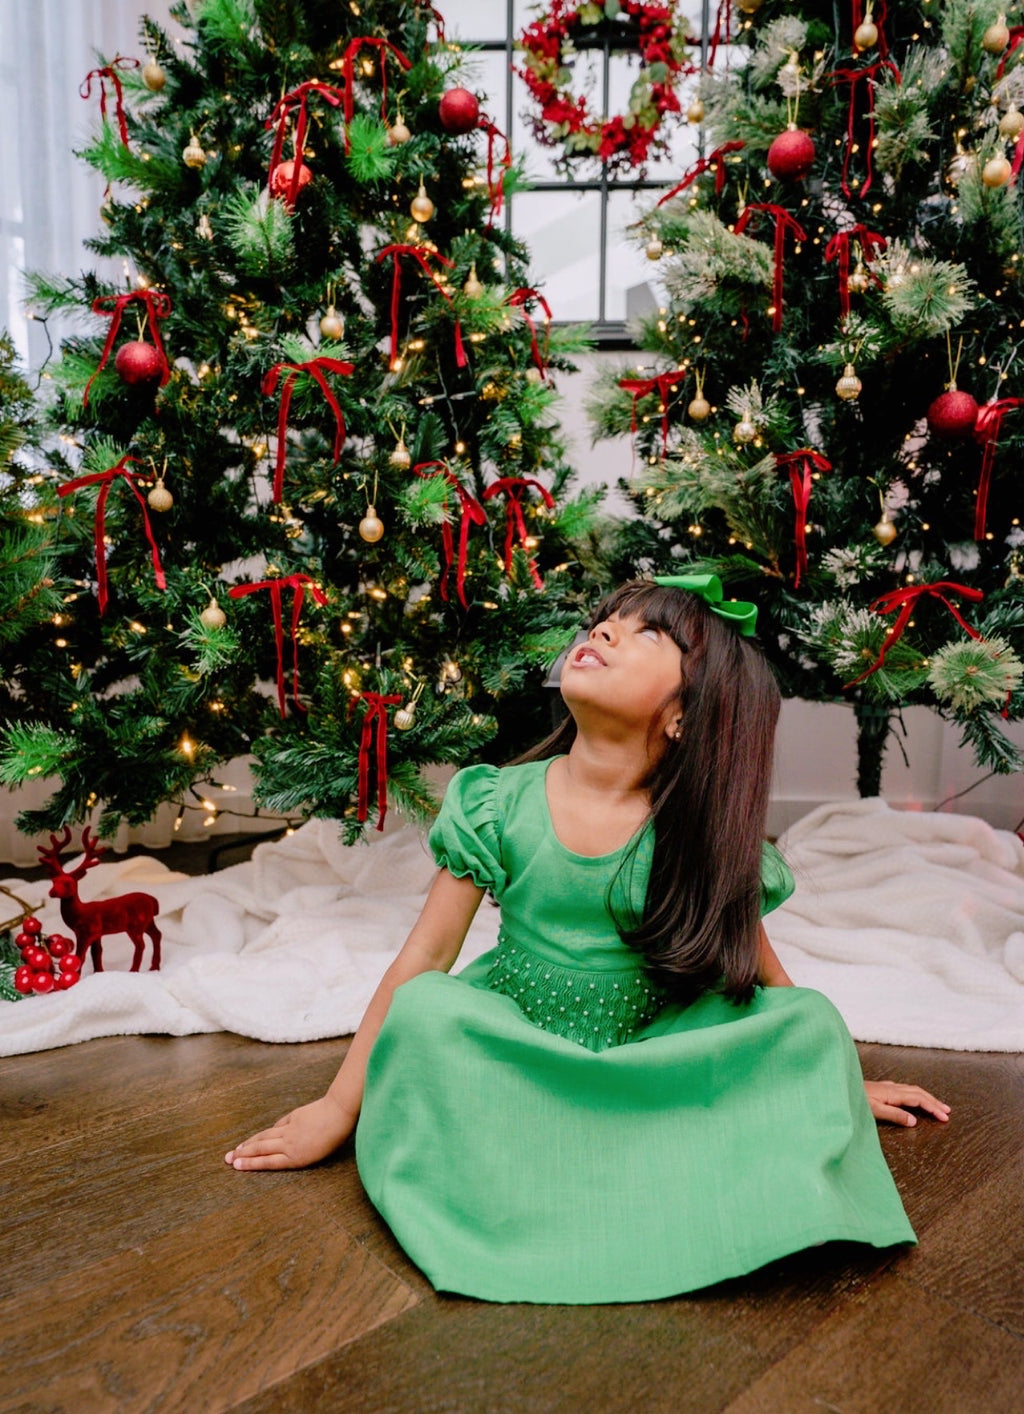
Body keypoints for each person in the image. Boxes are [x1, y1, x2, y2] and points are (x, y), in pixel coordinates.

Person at [226, 574, 949, 1304]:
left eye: (646, 633)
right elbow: (425, 957)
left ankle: (614, 1159)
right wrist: (337, 1108)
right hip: (520, 1044)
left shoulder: (693, 831)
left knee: (813, 1021)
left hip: (649, 1051)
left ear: (686, 715)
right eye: (606, 619)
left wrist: (833, 1080)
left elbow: (766, 978)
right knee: (426, 1013)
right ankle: (569, 1162)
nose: (603, 631)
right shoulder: (498, 801)